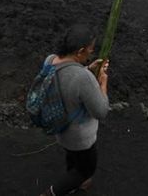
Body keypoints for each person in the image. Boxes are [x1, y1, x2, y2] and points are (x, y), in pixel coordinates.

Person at [39, 24, 110, 196]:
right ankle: (51, 193)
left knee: (72, 158)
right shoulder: (82, 78)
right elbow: (101, 111)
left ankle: (73, 182)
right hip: (80, 137)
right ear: (80, 51)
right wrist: (102, 84)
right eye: (90, 50)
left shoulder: (50, 60)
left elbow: (66, 81)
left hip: (60, 128)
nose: (91, 54)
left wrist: (87, 69)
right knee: (86, 170)